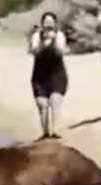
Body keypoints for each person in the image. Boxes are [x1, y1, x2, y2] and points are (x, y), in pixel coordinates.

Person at [28, 12, 69, 140]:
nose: (48, 23)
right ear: (42, 23)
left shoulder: (60, 35)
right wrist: (42, 40)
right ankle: (46, 132)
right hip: (40, 75)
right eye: (46, 21)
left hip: (57, 74)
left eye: (51, 21)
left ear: (55, 23)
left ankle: (55, 131)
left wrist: (53, 39)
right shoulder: (36, 36)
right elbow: (34, 51)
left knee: (55, 101)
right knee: (42, 104)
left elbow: (61, 51)